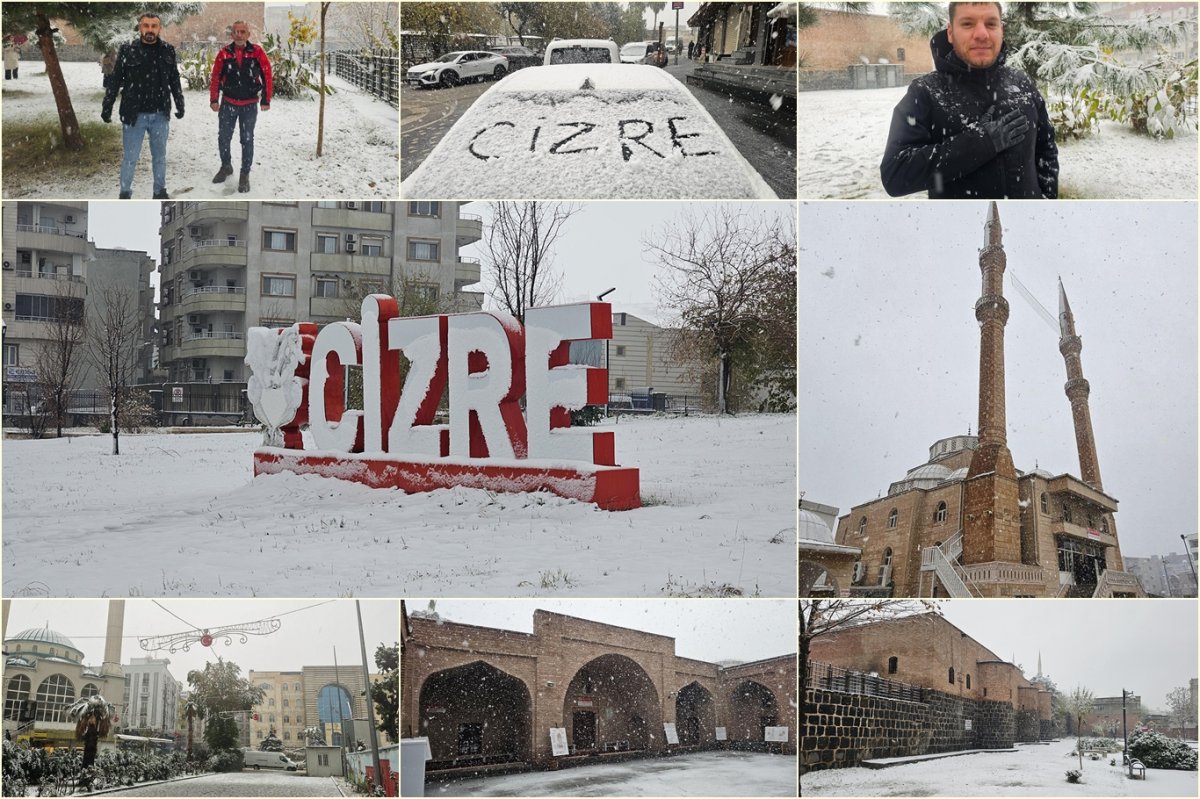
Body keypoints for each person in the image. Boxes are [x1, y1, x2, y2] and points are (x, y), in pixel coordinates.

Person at [880, 2, 1058, 199]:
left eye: (991, 24)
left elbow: (1046, 148)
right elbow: (895, 174)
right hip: (960, 227)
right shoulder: (926, 92)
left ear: (1002, 30)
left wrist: (1047, 202)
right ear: (950, 32)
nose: (982, 34)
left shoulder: (1021, 82)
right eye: (967, 24)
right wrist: (980, 143)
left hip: (1026, 223)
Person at [101, 12, 184, 199]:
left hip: (160, 115)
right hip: (133, 116)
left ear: (159, 29)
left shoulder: (167, 51)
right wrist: (107, 106)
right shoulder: (127, 50)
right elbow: (115, 81)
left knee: (160, 158)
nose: (150, 30)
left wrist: (180, 104)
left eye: (154, 26)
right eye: (146, 25)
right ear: (140, 28)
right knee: (130, 158)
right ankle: (124, 192)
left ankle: (159, 191)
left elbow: (174, 80)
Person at [209, 20, 272, 193]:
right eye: (236, 31)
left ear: (248, 35)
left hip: (249, 105)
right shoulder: (224, 53)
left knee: (247, 139)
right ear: (232, 35)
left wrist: (266, 99)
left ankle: (245, 174)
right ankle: (226, 166)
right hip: (228, 103)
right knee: (224, 137)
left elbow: (267, 75)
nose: (239, 34)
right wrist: (214, 99)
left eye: (243, 31)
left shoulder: (257, 52)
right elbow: (215, 77)